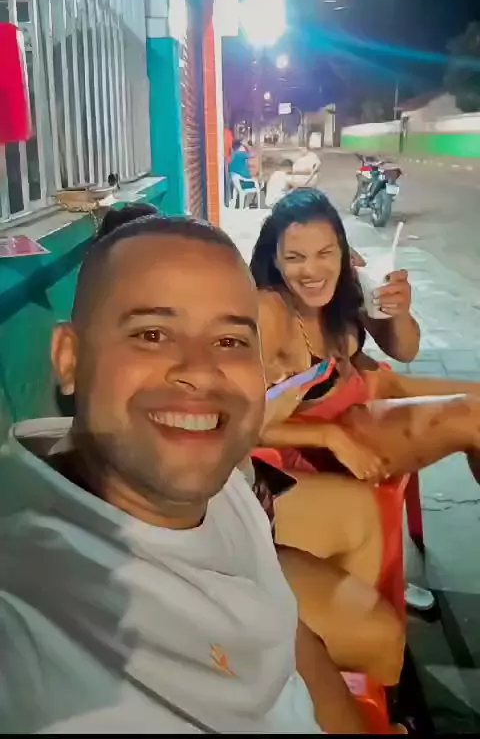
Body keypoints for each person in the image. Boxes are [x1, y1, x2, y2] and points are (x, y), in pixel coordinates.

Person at [0, 211, 369, 734]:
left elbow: (285, 640)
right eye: (152, 334)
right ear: (69, 358)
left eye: (230, 341)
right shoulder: (28, 615)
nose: (200, 371)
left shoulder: (222, 487)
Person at [249, 188, 480, 676]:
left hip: (364, 398)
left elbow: (405, 350)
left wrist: (399, 311)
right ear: (274, 259)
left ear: (341, 249)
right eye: (294, 258)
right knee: (473, 418)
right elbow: (242, 422)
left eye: (324, 253)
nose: (311, 270)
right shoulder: (268, 311)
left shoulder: (346, 287)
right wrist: (329, 438)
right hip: (327, 434)